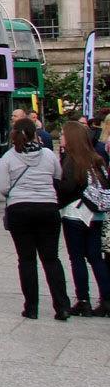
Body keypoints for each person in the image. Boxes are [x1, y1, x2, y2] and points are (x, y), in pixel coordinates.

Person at [0, 118, 70, 320]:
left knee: (27, 260)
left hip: (19, 209)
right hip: (48, 208)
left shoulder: (9, 157)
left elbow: (2, 187)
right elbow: (58, 176)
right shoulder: (47, 154)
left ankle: (31, 307)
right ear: (35, 133)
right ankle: (62, 306)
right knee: (52, 259)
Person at [57, 120, 110, 317]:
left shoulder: (71, 160)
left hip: (75, 214)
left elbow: (68, 188)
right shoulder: (97, 158)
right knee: (96, 258)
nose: (61, 137)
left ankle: (83, 300)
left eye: (63, 134)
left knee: (77, 258)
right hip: (96, 214)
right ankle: (106, 298)